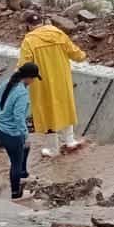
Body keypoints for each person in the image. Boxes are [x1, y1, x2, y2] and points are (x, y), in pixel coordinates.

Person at [18, 17, 88, 154]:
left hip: (41, 84)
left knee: (47, 113)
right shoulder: (58, 33)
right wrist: (83, 55)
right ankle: (70, 141)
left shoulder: (29, 40)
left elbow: (23, 65)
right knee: (65, 107)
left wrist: (17, 80)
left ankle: (52, 148)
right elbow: (76, 54)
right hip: (62, 80)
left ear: (28, 26)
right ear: (43, 23)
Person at [0, 62, 41, 199]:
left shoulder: (7, 82)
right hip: (10, 133)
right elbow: (19, 117)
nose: (33, 82)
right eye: (33, 79)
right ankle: (16, 193)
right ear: (28, 77)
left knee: (25, 148)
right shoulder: (21, 93)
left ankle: (23, 173)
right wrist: (25, 135)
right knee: (15, 162)